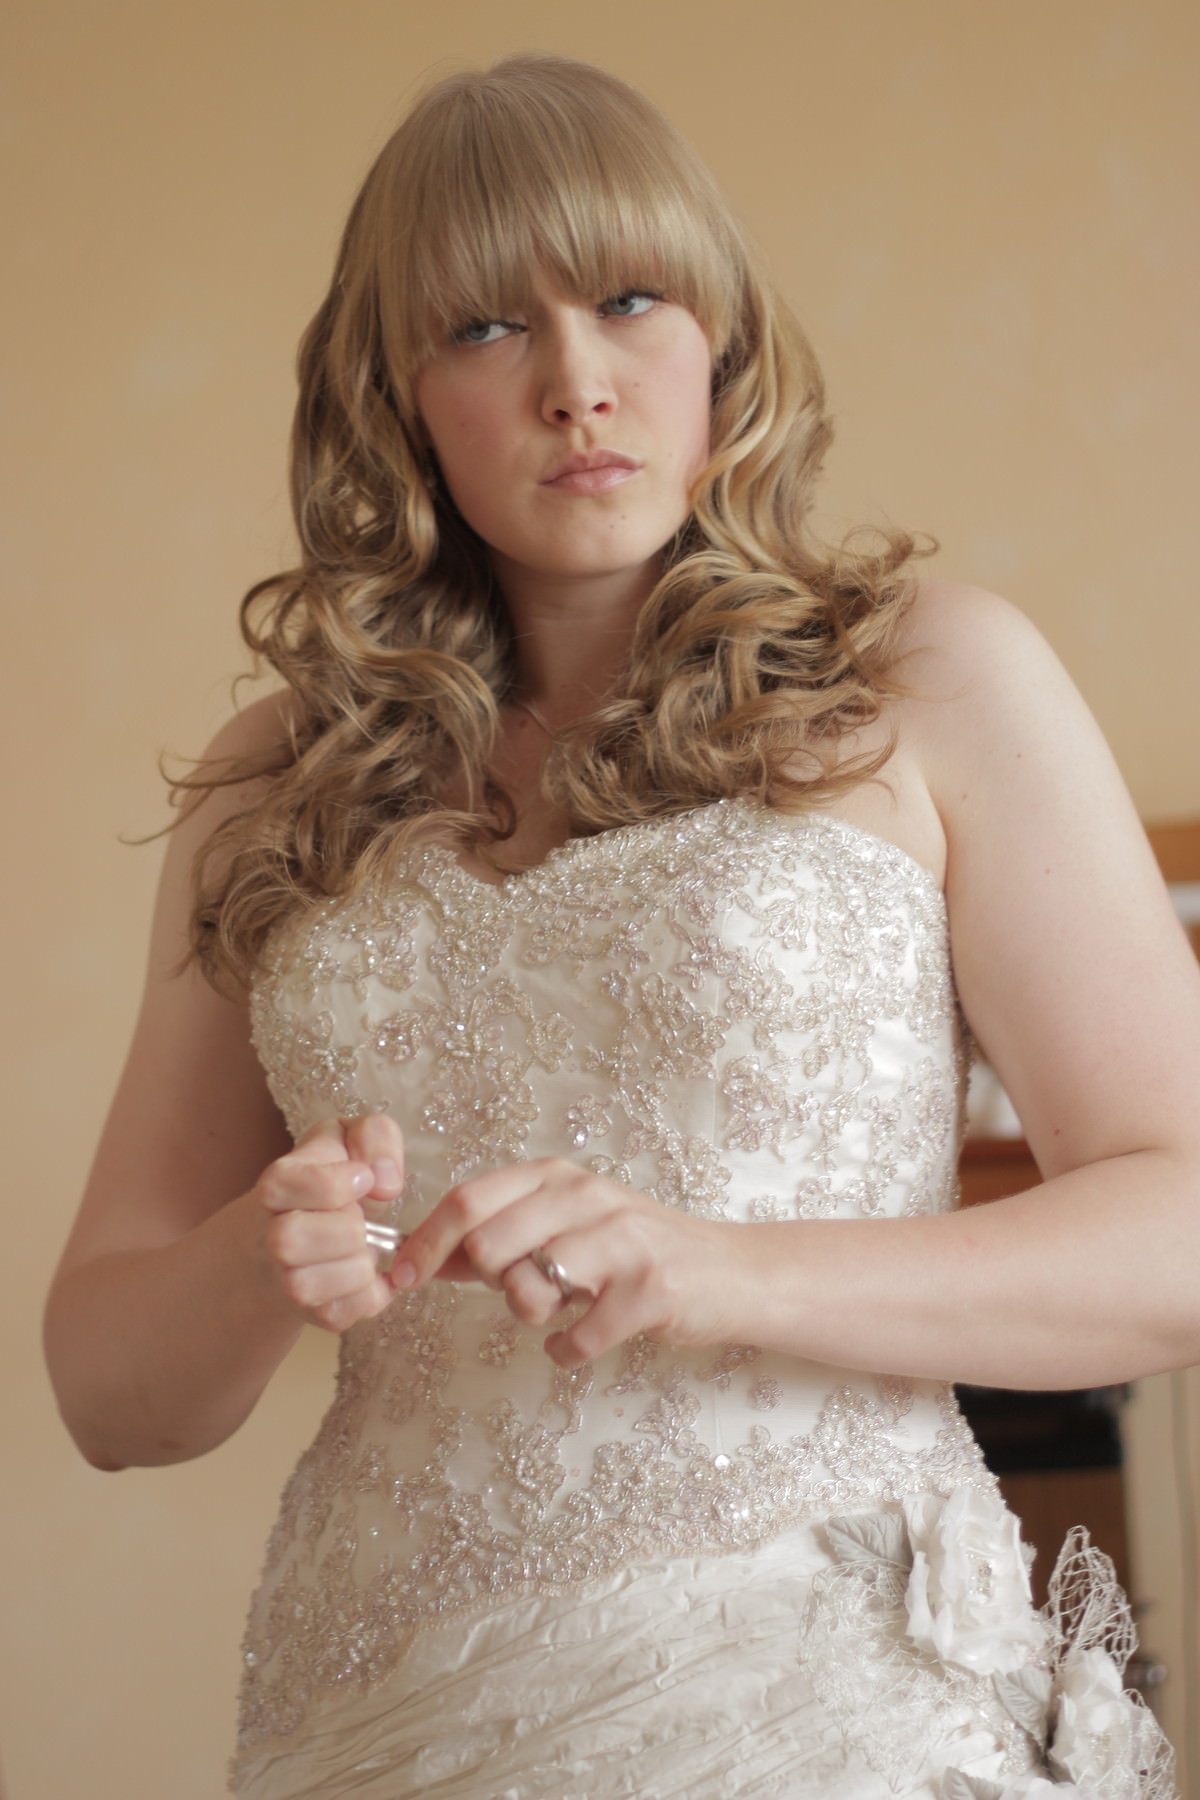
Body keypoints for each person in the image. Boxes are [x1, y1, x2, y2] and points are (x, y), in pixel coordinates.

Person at [44, 52, 1198, 1800]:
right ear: (396, 398)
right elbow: (107, 1395)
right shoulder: (270, 786)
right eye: (486, 327)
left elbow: (1181, 1229)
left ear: (721, 338)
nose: (577, 381)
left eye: (631, 299)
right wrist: (251, 1260)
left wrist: (725, 1267)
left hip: (836, 1715)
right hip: (378, 1728)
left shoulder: (931, 680)